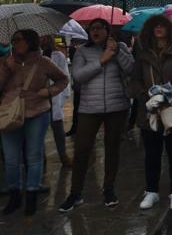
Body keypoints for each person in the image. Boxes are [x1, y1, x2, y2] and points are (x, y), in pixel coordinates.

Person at [58, 19, 135, 212]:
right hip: (89, 108)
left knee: (112, 148)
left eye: (100, 28)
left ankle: (109, 189)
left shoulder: (120, 47)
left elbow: (132, 70)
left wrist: (116, 52)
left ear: (108, 31)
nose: (96, 31)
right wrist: (101, 61)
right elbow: (78, 76)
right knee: (82, 150)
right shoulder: (83, 51)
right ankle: (75, 193)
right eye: (92, 28)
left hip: (117, 106)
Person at [131, 15, 172, 211]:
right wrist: (145, 96)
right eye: (155, 26)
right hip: (149, 112)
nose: (158, 28)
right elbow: (134, 80)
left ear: (169, 29)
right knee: (152, 153)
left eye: (162, 25)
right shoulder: (142, 54)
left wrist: (171, 93)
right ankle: (151, 191)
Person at [0, 29, 69, 216]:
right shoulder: (6, 62)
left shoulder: (43, 62)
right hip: (9, 114)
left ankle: (31, 194)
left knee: (34, 155)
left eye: (18, 40)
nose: (14, 43)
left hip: (37, 113)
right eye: (12, 40)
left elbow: (63, 80)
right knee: (12, 159)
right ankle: (15, 195)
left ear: (30, 41)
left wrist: (48, 92)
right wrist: (6, 68)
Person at [47, 37, 72, 168]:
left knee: (58, 127)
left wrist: (64, 95)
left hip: (54, 96)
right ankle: (41, 158)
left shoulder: (58, 56)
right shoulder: (31, 57)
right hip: (37, 98)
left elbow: (64, 76)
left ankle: (63, 155)